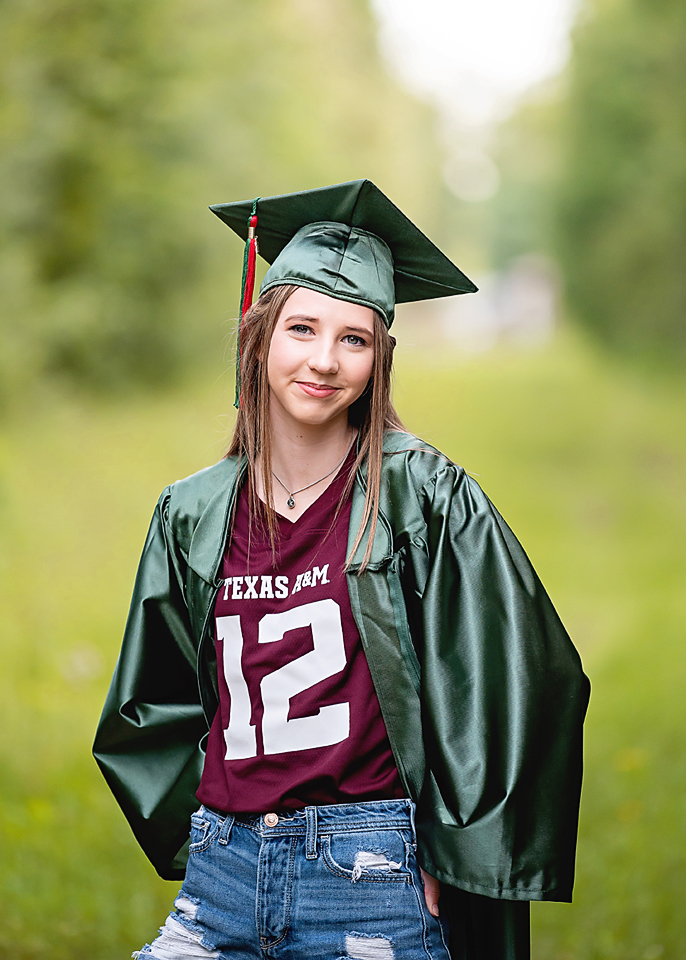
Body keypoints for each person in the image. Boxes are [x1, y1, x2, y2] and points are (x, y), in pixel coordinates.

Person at [94, 179, 589, 960]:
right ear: (258, 337)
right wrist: (204, 827)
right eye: (302, 329)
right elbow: (148, 703)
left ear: (380, 358)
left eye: (354, 339)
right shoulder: (192, 513)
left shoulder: (424, 496)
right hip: (224, 870)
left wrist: (454, 854)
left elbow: (524, 676)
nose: (324, 360)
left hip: (372, 869)